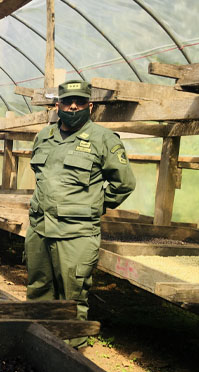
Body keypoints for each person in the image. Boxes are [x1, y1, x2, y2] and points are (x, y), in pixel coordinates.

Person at [24, 79, 136, 348]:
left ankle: (71, 359)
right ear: (57, 105)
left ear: (91, 106)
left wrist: (93, 206)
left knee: (72, 300)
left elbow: (124, 183)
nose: (73, 107)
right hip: (40, 229)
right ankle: (37, 348)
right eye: (67, 101)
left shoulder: (104, 140)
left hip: (76, 234)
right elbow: (41, 177)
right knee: (38, 292)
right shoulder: (44, 137)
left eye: (80, 102)